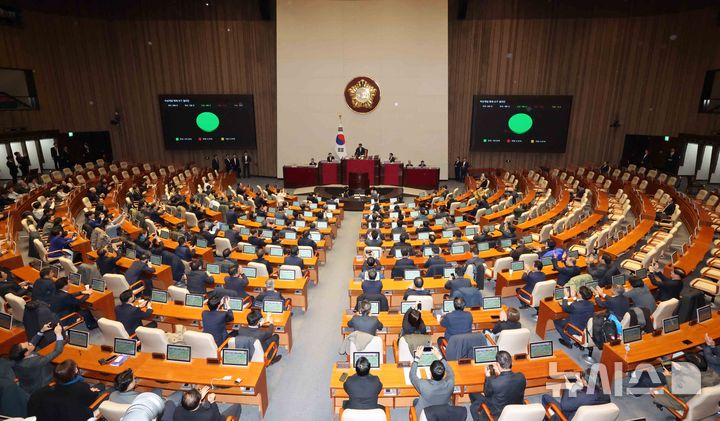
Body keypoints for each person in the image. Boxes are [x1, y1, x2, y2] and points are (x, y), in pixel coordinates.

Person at [27, 359, 101, 421]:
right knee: (101, 386)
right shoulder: (81, 387)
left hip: (58, 414)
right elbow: (91, 399)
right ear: (75, 372)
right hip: (78, 415)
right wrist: (94, 392)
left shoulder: (44, 391)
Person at [470, 351, 526, 420]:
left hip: (498, 414)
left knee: (473, 401)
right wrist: (500, 373)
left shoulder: (493, 381)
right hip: (517, 409)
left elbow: (486, 394)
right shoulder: (521, 376)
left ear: (497, 364)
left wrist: (488, 377)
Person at [10, 322, 65, 394]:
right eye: (28, 344)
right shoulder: (35, 362)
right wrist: (58, 334)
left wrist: (41, 331)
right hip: (42, 384)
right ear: (26, 353)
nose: (29, 343)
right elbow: (58, 350)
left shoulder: (16, 357)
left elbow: (32, 343)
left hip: (26, 383)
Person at [541, 367, 611, 421]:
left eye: (582, 378)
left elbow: (563, 405)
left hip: (569, 416)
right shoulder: (606, 394)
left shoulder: (582, 397)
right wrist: (582, 387)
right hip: (591, 416)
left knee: (545, 397)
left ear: (585, 381)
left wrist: (568, 388)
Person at [410, 347, 455, 414]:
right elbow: (450, 371)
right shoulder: (450, 382)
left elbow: (412, 375)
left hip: (426, 414)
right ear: (444, 373)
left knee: (415, 401)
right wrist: (440, 356)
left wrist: (417, 358)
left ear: (430, 373)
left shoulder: (423, 385)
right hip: (443, 412)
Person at [173, 386, 241, 420]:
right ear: (200, 402)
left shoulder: (177, 411)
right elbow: (217, 417)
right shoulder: (208, 414)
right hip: (217, 418)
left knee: (206, 404)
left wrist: (199, 397)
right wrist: (212, 402)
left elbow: (189, 401)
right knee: (237, 406)